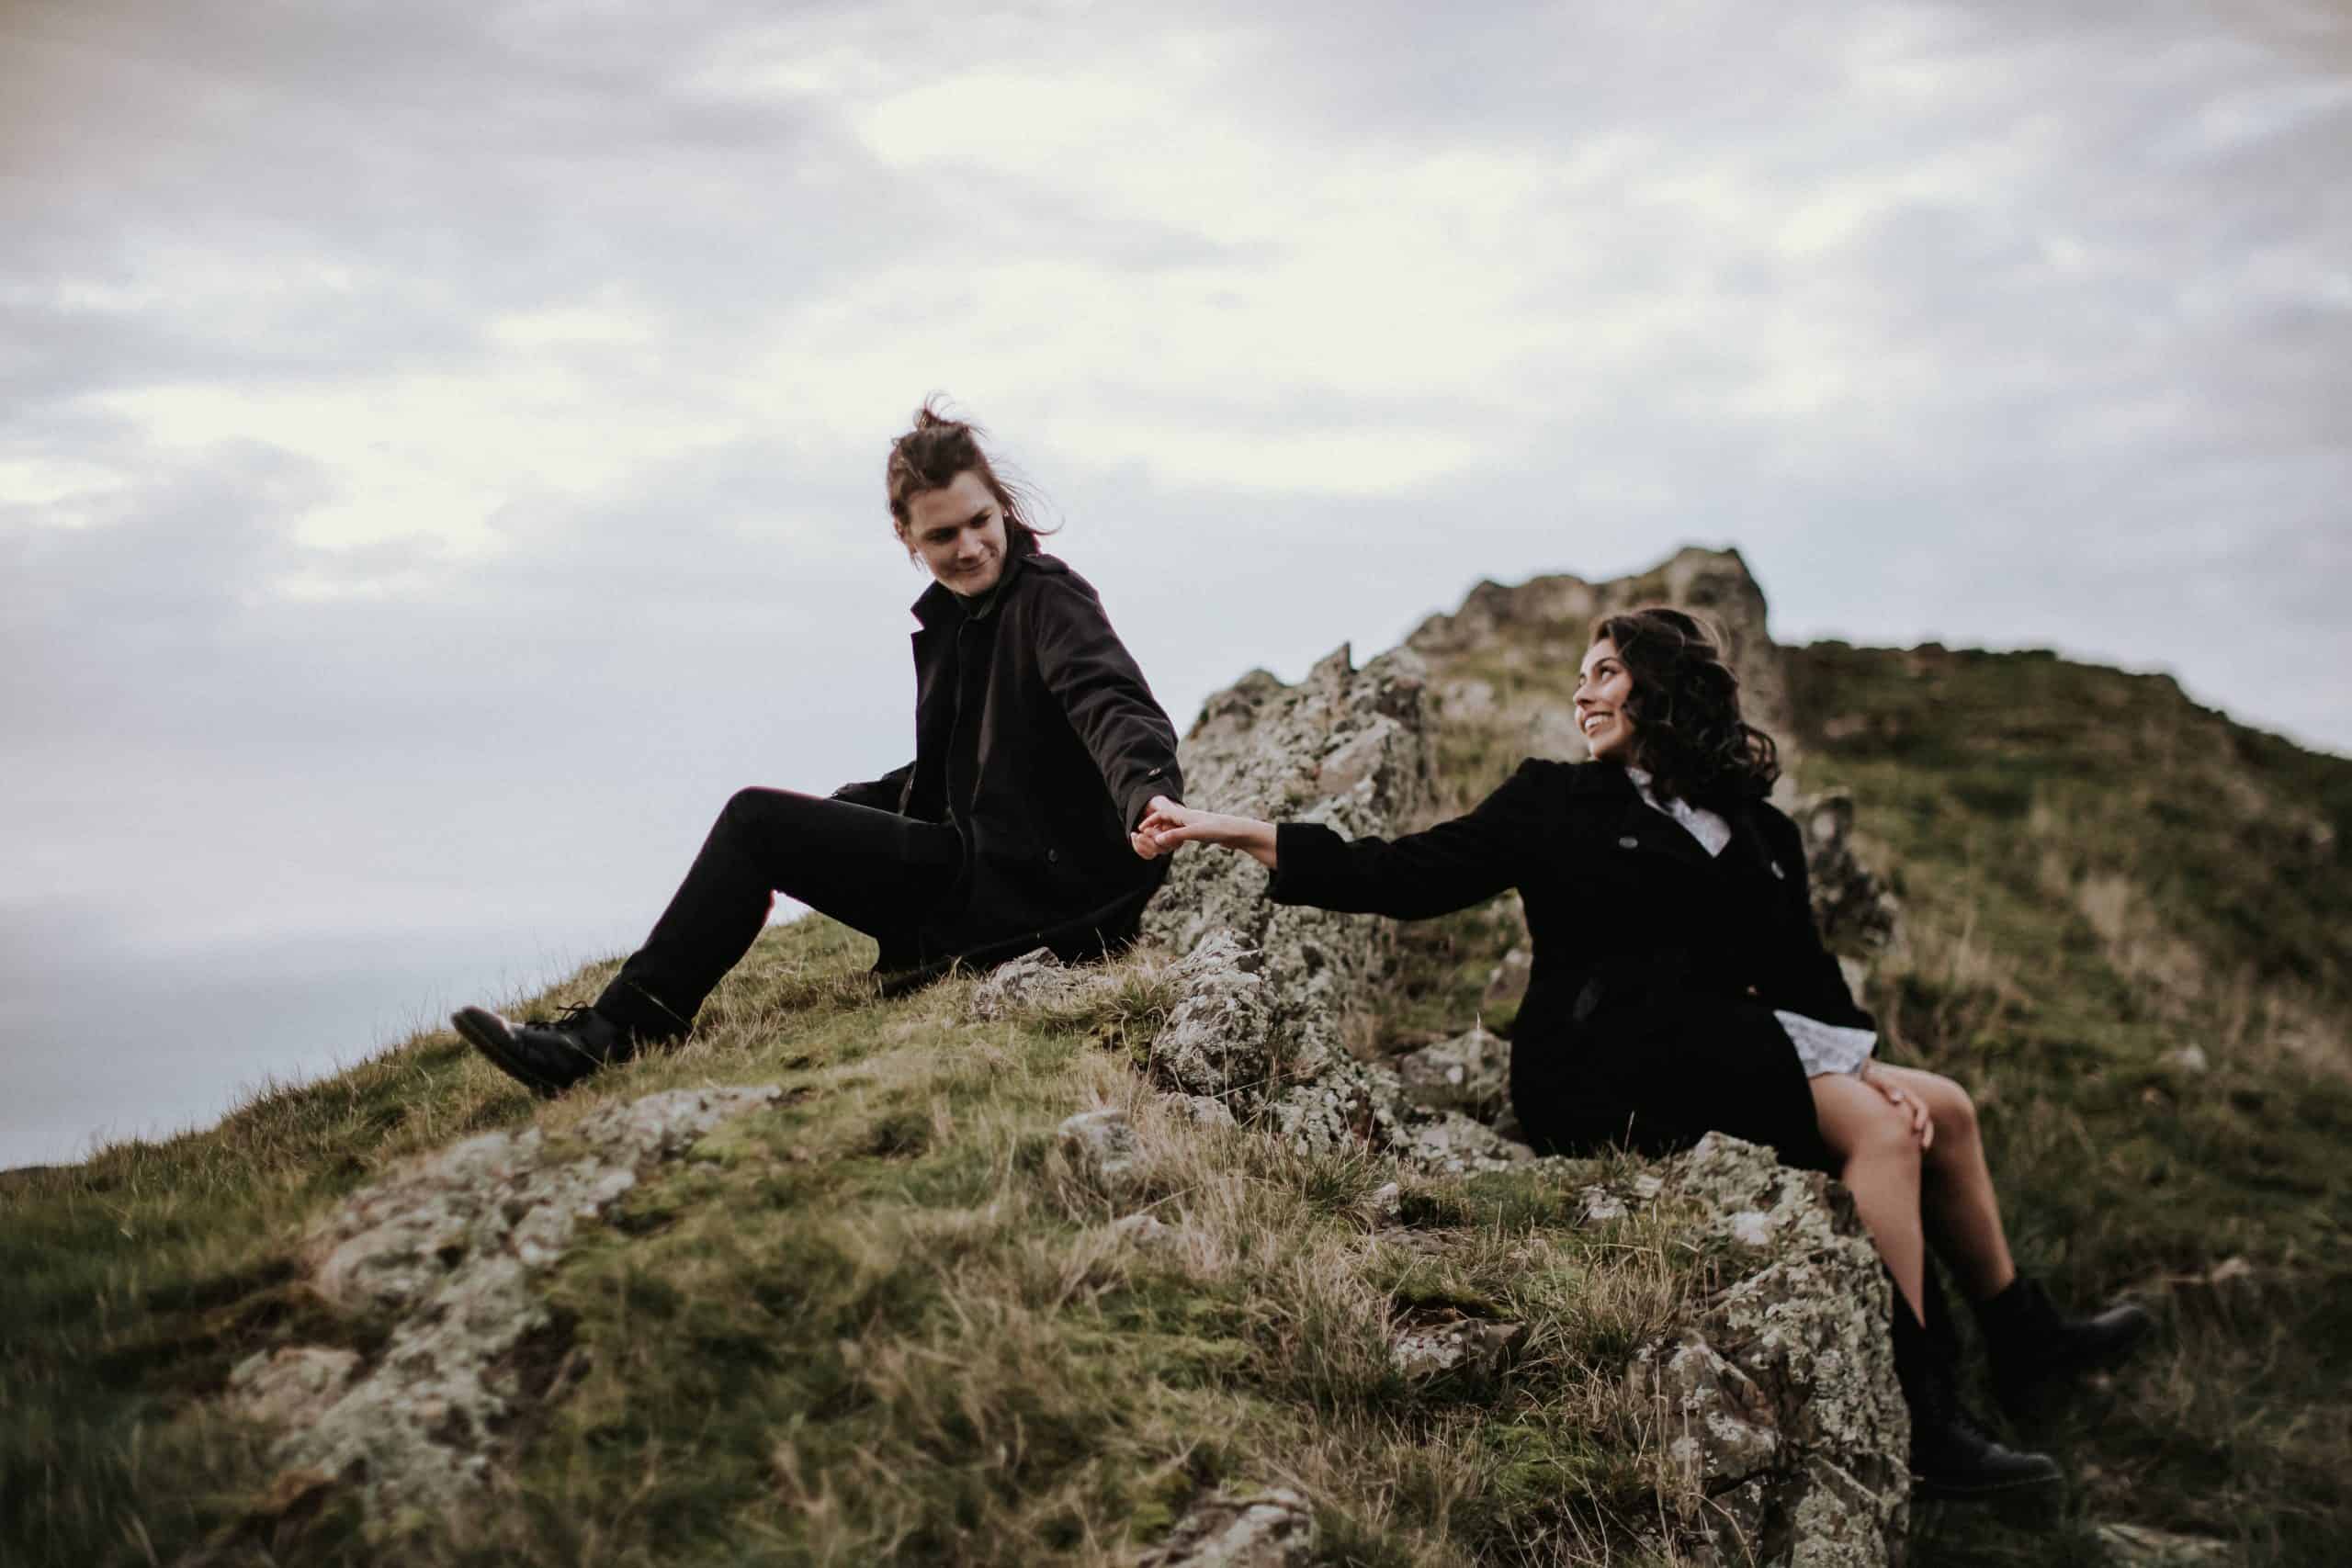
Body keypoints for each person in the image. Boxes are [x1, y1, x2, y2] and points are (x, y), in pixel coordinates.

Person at [1136, 606, 2151, 1503]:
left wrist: (1867, 1061)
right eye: (1580, 677)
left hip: (1720, 1047)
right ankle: (1928, 1419)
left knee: (1948, 1106)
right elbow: (1404, 875)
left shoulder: (1758, 831)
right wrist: (1237, 829)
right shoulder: (1552, 801)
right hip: (1598, 1063)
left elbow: (1802, 977)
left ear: (1662, 689)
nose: (1583, 693)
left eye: (1606, 673)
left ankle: (2026, 1343)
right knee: (1882, 1136)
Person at [455, 400, 1183, 1095]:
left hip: (1041, 898)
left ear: (1003, 505)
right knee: (821, 815)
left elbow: (1107, 699)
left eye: (979, 521)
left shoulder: (1048, 598)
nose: (968, 547)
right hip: (999, 875)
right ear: (907, 538)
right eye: (941, 536)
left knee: (755, 822)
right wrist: (859, 809)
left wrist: (1145, 789)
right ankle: (621, 1020)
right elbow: (975, 761)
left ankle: (609, 1035)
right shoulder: (966, 616)